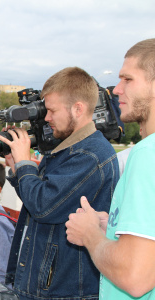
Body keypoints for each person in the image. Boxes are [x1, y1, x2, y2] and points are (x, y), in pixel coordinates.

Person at [0, 67, 119, 299]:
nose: (47, 118)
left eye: (51, 110)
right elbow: (39, 200)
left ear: (78, 108)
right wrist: (17, 168)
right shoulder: (66, 149)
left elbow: (44, 206)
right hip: (48, 285)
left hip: (63, 290)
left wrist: (25, 164)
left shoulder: (89, 156)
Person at [66, 39, 155, 299]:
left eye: (128, 79)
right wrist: (112, 230)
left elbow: (135, 277)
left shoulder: (147, 154)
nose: (117, 89)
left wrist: (90, 235)